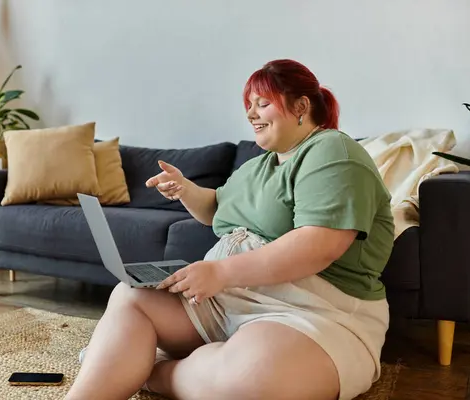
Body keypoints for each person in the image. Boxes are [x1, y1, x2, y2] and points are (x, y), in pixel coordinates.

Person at [64, 59, 394, 400]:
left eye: (262, 103)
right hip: (226, 302)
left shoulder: (332, 150)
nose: (251, 114)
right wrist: (185, 190)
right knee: (131, 296)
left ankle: (150, 371)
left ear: (301, 106)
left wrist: (221, 271)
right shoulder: (257, 166)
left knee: (251, 378)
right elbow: (217, 209)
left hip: (312, 311)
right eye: (248, 106)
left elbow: (319, 244)